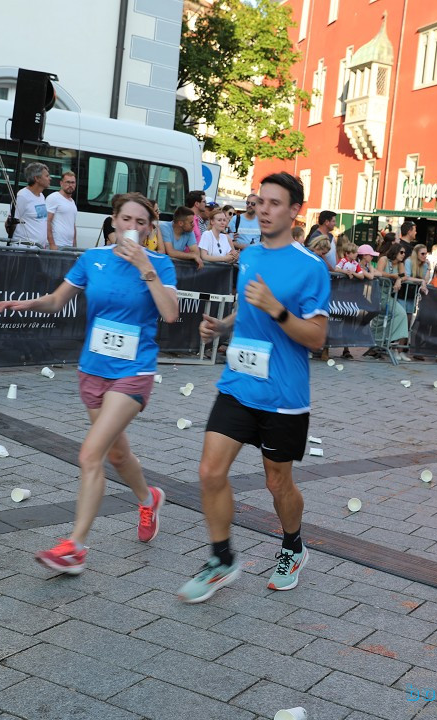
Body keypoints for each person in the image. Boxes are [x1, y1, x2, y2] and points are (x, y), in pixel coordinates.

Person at [0, 193, 178, 573]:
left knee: (91, 454)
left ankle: (75, 547)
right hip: (92, 371)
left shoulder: (160, 264)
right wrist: (22, 305)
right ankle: (149, 497)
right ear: (114, 222)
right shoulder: (93, 260)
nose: (133, 228)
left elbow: (170, 314)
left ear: (151, 229)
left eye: (142, 222)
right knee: (118, 455)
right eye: (127, 219)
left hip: (133, 372)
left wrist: (146, 268)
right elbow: (59, 301)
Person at [177, 172, 331, 603]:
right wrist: (221, 327)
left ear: (295, 211)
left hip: (283, 397)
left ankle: (293, 545)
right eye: (260, 202)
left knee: (277, 484)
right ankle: (222, 559)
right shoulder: (250, 257)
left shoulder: (311, 267)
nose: (263, 209)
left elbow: (317, 338)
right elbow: (248, 312)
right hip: (238, 384)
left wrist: (279, 310)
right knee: (209, 471)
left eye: (274, 203)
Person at [13, 162, 51, 247]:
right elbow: (12, 221)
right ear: (37, 178)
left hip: (38, 249)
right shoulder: (22, 196)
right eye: (47, 176)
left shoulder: (41, 196)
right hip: (24, 250)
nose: (50, 178)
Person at [45, 171, 78, 249]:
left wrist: (74, 245)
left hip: (69, 247)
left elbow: (72, 225)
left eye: (73, 182)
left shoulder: (72, 202)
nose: (70, 185)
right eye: (68, 182)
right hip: (57, 245)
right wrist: (52, 244)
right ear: (61, 183)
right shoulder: (54, 197)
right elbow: (47, 221)